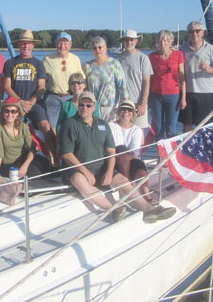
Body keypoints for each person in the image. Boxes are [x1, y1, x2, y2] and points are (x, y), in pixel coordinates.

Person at [59, 91, 170, 222]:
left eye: (88, 106)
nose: (85, 108)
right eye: (82, 105)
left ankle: (149, 209)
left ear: (94, 107)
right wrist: (85, 171)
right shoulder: (70, 125)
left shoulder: (102, 124)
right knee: (78, 179)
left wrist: (110, 171)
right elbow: (66, 154)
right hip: (79, 170)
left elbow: (111, 152)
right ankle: (113, 209)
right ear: (78, 105)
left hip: (100, 167)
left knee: (122, 180)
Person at [108, 99, 174, 218]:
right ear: (118, 112)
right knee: (122, 152)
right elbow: (114, 147)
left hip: (132, 159)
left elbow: (135, 151)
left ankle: (147, 196)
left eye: (129, 110)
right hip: (116, 160)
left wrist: (126, 154)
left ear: (133, 114)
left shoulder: (137, 129)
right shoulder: (111, 126)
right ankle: (129, 190)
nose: (126, 112)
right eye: (123, 109)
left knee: (140, 170)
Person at [2, 29, 57, 161]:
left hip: (35, 103)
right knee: (11, 127)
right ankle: (10, 157)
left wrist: (31, 101)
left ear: (33, 46)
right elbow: (6, 86)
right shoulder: (10, 63)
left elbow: (42, 87)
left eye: (28, 43)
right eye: (23, 43)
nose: (26, 46)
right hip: (16, 103)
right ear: (19, 45)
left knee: (46, 127)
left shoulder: (38, 64)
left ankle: (55, 156)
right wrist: (20, 102)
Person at [178, 21, 213, 132]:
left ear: (202, 32)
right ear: (188, 33)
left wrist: (209, 69)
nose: (194, 34)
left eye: (197, 31)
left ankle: (205, 148)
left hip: (205, 93)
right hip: (187, 92)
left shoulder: (210, 49)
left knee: (205, 126)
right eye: (191, 31)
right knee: (187, 124)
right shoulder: (182, 49)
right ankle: (186, 147)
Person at [149, 30, 187, 140]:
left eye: (165, 41)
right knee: (158, 127)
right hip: (156, 95)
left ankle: (171, 154)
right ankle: (161, 155)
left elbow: (182, 77)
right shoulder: (152, 57)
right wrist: (148, 99)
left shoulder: (178, 55)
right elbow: (150, 78)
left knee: (171, 127)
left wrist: (183, 98)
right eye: (160, 41)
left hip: (173, 95)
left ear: (170, 42)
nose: (163, 43)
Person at [43, 32, 85, 130]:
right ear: (56, 44)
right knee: (52, 128)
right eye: (60, 43)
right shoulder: (47, 59)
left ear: (70, 45)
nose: (63, 46)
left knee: (73, 126)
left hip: (71, 98)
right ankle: (55, 145)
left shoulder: (75, 59)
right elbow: (41, 81)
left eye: (65, 43)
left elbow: (81, 79)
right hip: (53, 98)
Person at [0, 97, 42, 179]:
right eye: (6, 111)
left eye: (13, 111)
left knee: (42, 163)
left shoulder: (23, 126)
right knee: (24, 174)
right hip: (8, 165)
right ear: (2, 112)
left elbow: (32, 148)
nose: (10, 114)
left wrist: (25, 165)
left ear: (18, 113)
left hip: (23, 161)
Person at [83, 36, 127, 122]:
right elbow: (83, 86)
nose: (97, 50)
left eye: (100, 47)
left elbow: (122, 86)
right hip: (93, 107)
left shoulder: (114, 64)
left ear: (105, 48)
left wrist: (125, 103)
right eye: (94, 48)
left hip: (110, 108)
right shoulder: (88, 66)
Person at [116, 30, 152, 129]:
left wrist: (143, 103)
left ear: (136, 41)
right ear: (123, 42)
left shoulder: (143, 58)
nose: (129, 42)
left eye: (131, 40)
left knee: (139, 132)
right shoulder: (117, 59)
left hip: (138, 103)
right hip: (122, 104)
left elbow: (146, 82)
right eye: (126, 40)